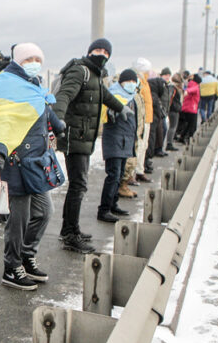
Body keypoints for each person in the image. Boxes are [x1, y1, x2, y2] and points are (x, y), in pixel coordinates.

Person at [0, 43, 66, 290]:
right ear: (18, 60)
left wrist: (59, 126)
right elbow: (3, 119)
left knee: (44, 211)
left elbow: (42, 109)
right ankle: (11, 266)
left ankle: (26, 256)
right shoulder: (7, 83)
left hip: (36, 161)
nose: (34, 62)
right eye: (28, 58)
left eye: (37, 58)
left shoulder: (34, 84)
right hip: (16, 160)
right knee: (19, 218)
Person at [52, 38, 126, 254]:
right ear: (89, 51)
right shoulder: (80, 70)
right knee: (78, 186)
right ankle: (70, 234)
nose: (101, 53)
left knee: (78, 185)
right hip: (74, 136)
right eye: (97, 49)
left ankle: (70, 228)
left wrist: (121, 108)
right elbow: (64, 95)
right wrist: (58, 120)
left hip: (83, 138)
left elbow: (105, 96)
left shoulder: (95, 75)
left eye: (105, 51)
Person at [98, 70, 139, 223]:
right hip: (115, 140)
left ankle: (113, 204)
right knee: (113, 175)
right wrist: (113, 112)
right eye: (128, 81)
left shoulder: (131, 97)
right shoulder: (114, 95)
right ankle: (104, 209)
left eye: (134, 81)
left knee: (119, 174)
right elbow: (106, 113)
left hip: (124, 141)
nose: (132, 84)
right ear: (121, 82)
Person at [132, 58, 154, 180]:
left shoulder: (145, 82)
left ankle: (140, 170)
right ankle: (134, 172)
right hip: (142, 119)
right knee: (139, 146)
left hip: (147, 118)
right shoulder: (139, 82)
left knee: (144, 145)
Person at [177, 73, 201, 143]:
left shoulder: (190, 84)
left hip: (187, 107)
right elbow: (192, 90)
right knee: (192, 125)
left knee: (187, 124)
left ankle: (182, 137)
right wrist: (187, 92)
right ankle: (189, 139)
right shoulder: (195, 86)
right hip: (192, 108)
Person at [165, 72, 184, 151]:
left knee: (172, 126)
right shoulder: (174, 88)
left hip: (172, 109)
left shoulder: (170, 87)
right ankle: (169, 143)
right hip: (174, 109)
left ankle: (169, 142)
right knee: (173, 127)